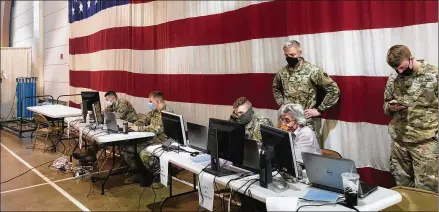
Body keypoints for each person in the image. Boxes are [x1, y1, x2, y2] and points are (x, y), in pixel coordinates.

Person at [384, 45, 438, 192]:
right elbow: (385, 104)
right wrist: (390, 107)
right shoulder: (394, 77)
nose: (400, 71)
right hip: (399, 141)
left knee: (427, 190)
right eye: (396, 69)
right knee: (402, 187)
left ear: (411, 59)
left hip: (424, 142)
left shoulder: (434, 75)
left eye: (402, 67)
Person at [272, 40, 340, 134]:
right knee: (287, 146)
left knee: (307, 147)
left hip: (306, 121)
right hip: (287, 121)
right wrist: (282, 104)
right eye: (286, 56)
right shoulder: (282, 72)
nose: (289, 58)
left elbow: (333, 90)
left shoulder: (313, 71)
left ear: (300, 52)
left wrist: (320, 109)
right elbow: (276, 88)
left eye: (292, 55)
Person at [131, 91, 174, 184]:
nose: (149, 103)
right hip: (154, 139)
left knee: (144, 154)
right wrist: (133, 125)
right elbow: (144, 120)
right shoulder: (154, 112)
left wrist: (138, 128)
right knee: (134, 147)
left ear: (158, 101)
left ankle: (162, 175)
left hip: (164, 141)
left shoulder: (166, 113)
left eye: (151, 101)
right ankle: (144, 175)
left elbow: (156, 128)